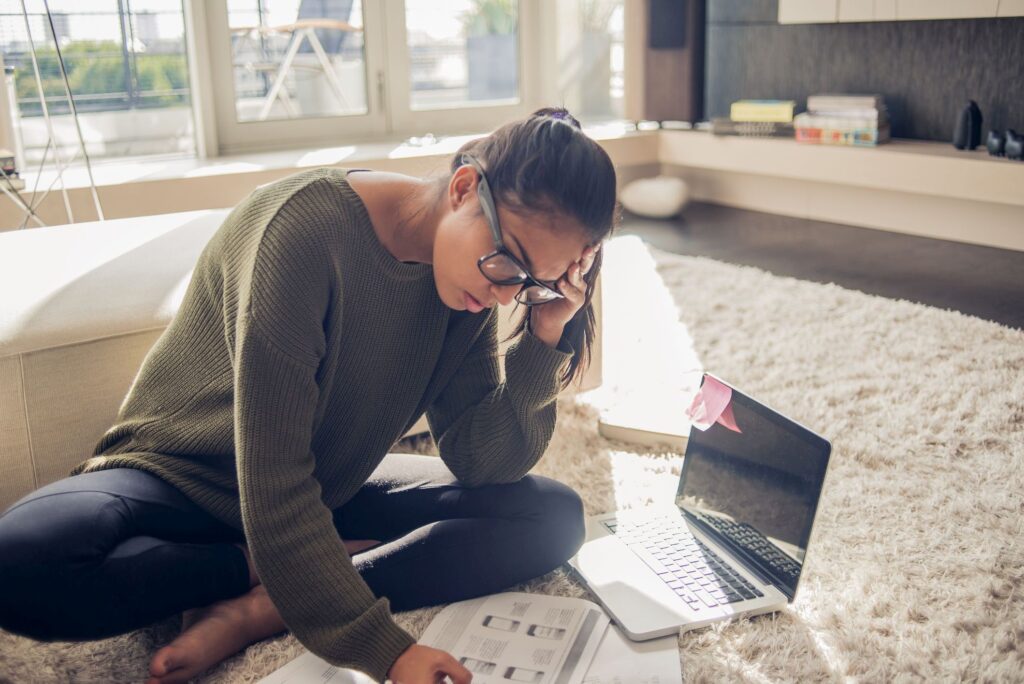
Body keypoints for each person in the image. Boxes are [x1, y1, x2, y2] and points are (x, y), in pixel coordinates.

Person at [0, 107, 618, 684]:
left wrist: (546, 334)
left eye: (530, 282)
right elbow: (273, 477)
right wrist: (388, 650)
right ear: (462, 190)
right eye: (508, 266)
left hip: (323, 490)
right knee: (19, 565)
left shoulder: (471, 282)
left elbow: (483, 463)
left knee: (552, 516)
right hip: (179, 475)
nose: (510, 294)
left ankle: (264, 608)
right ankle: (258, 571)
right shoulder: (301, 230)